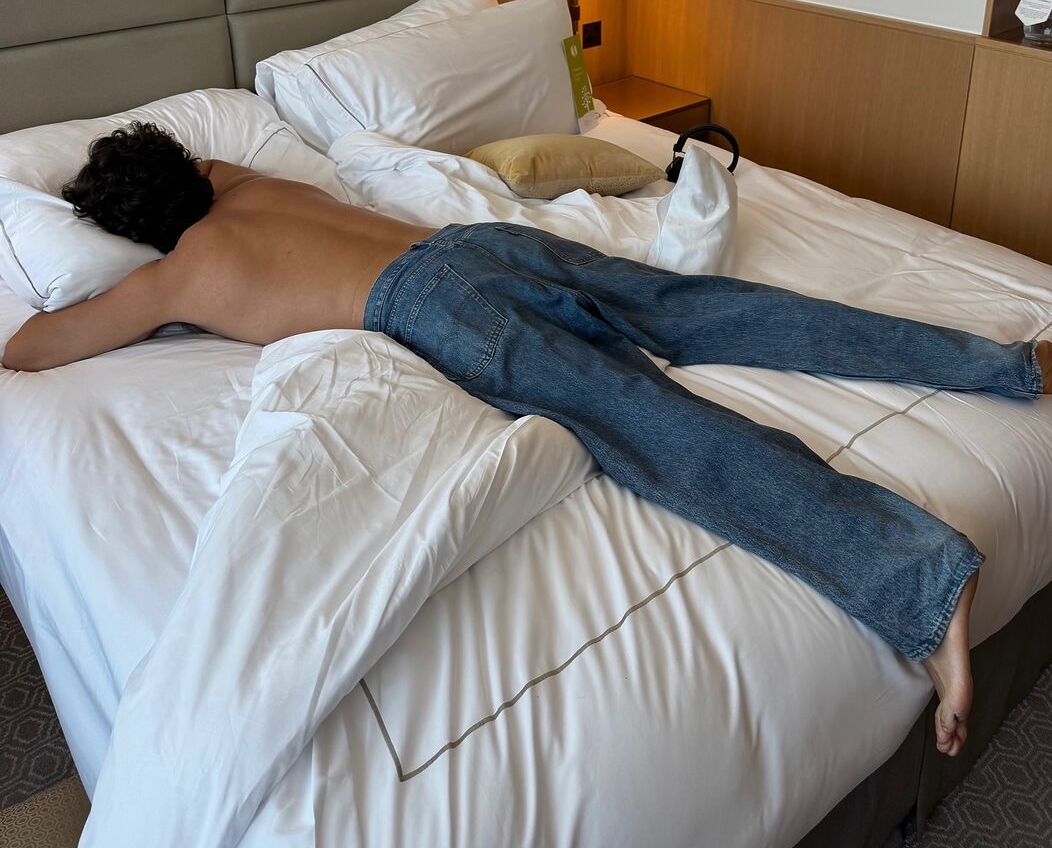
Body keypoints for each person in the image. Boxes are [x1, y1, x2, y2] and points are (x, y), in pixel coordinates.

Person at [3, 122, 1050, 757]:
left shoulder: (177, 274)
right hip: (484, 244)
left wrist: (130, 256)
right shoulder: (255, 182)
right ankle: (1006, 361)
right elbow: (208, 161)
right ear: (190, 164)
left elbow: (36, 347)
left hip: (431, 305)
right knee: (719, 309)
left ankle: (917, 578)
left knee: (655, 429)